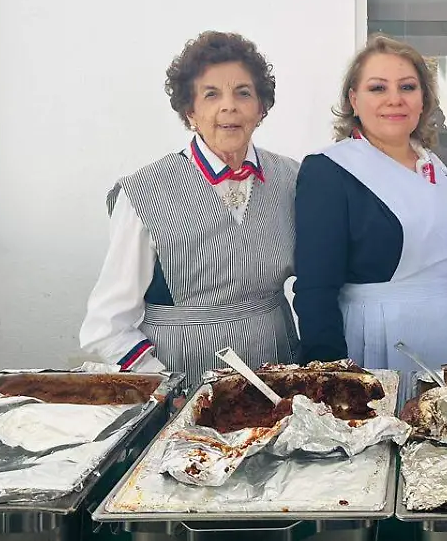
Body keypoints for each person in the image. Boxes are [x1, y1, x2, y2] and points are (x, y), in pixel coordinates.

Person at [80, 31, 300, 385]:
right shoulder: (144, 191)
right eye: (211, 94)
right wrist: (167, 386)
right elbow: (106, 325)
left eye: (243, 93)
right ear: (190, 111)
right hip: (183, 374)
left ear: (261, 108)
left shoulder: (292, 178)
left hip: (276, 366)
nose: (229, 106)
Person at [293, 34, 447, 385]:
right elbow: (316, 290)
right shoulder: (330, 170)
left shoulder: (433, 166)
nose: (395, 99)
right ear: (354, 100)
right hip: (377, 341)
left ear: (423, 100)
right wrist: (332, 377)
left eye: (407, 87)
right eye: (378, 88)